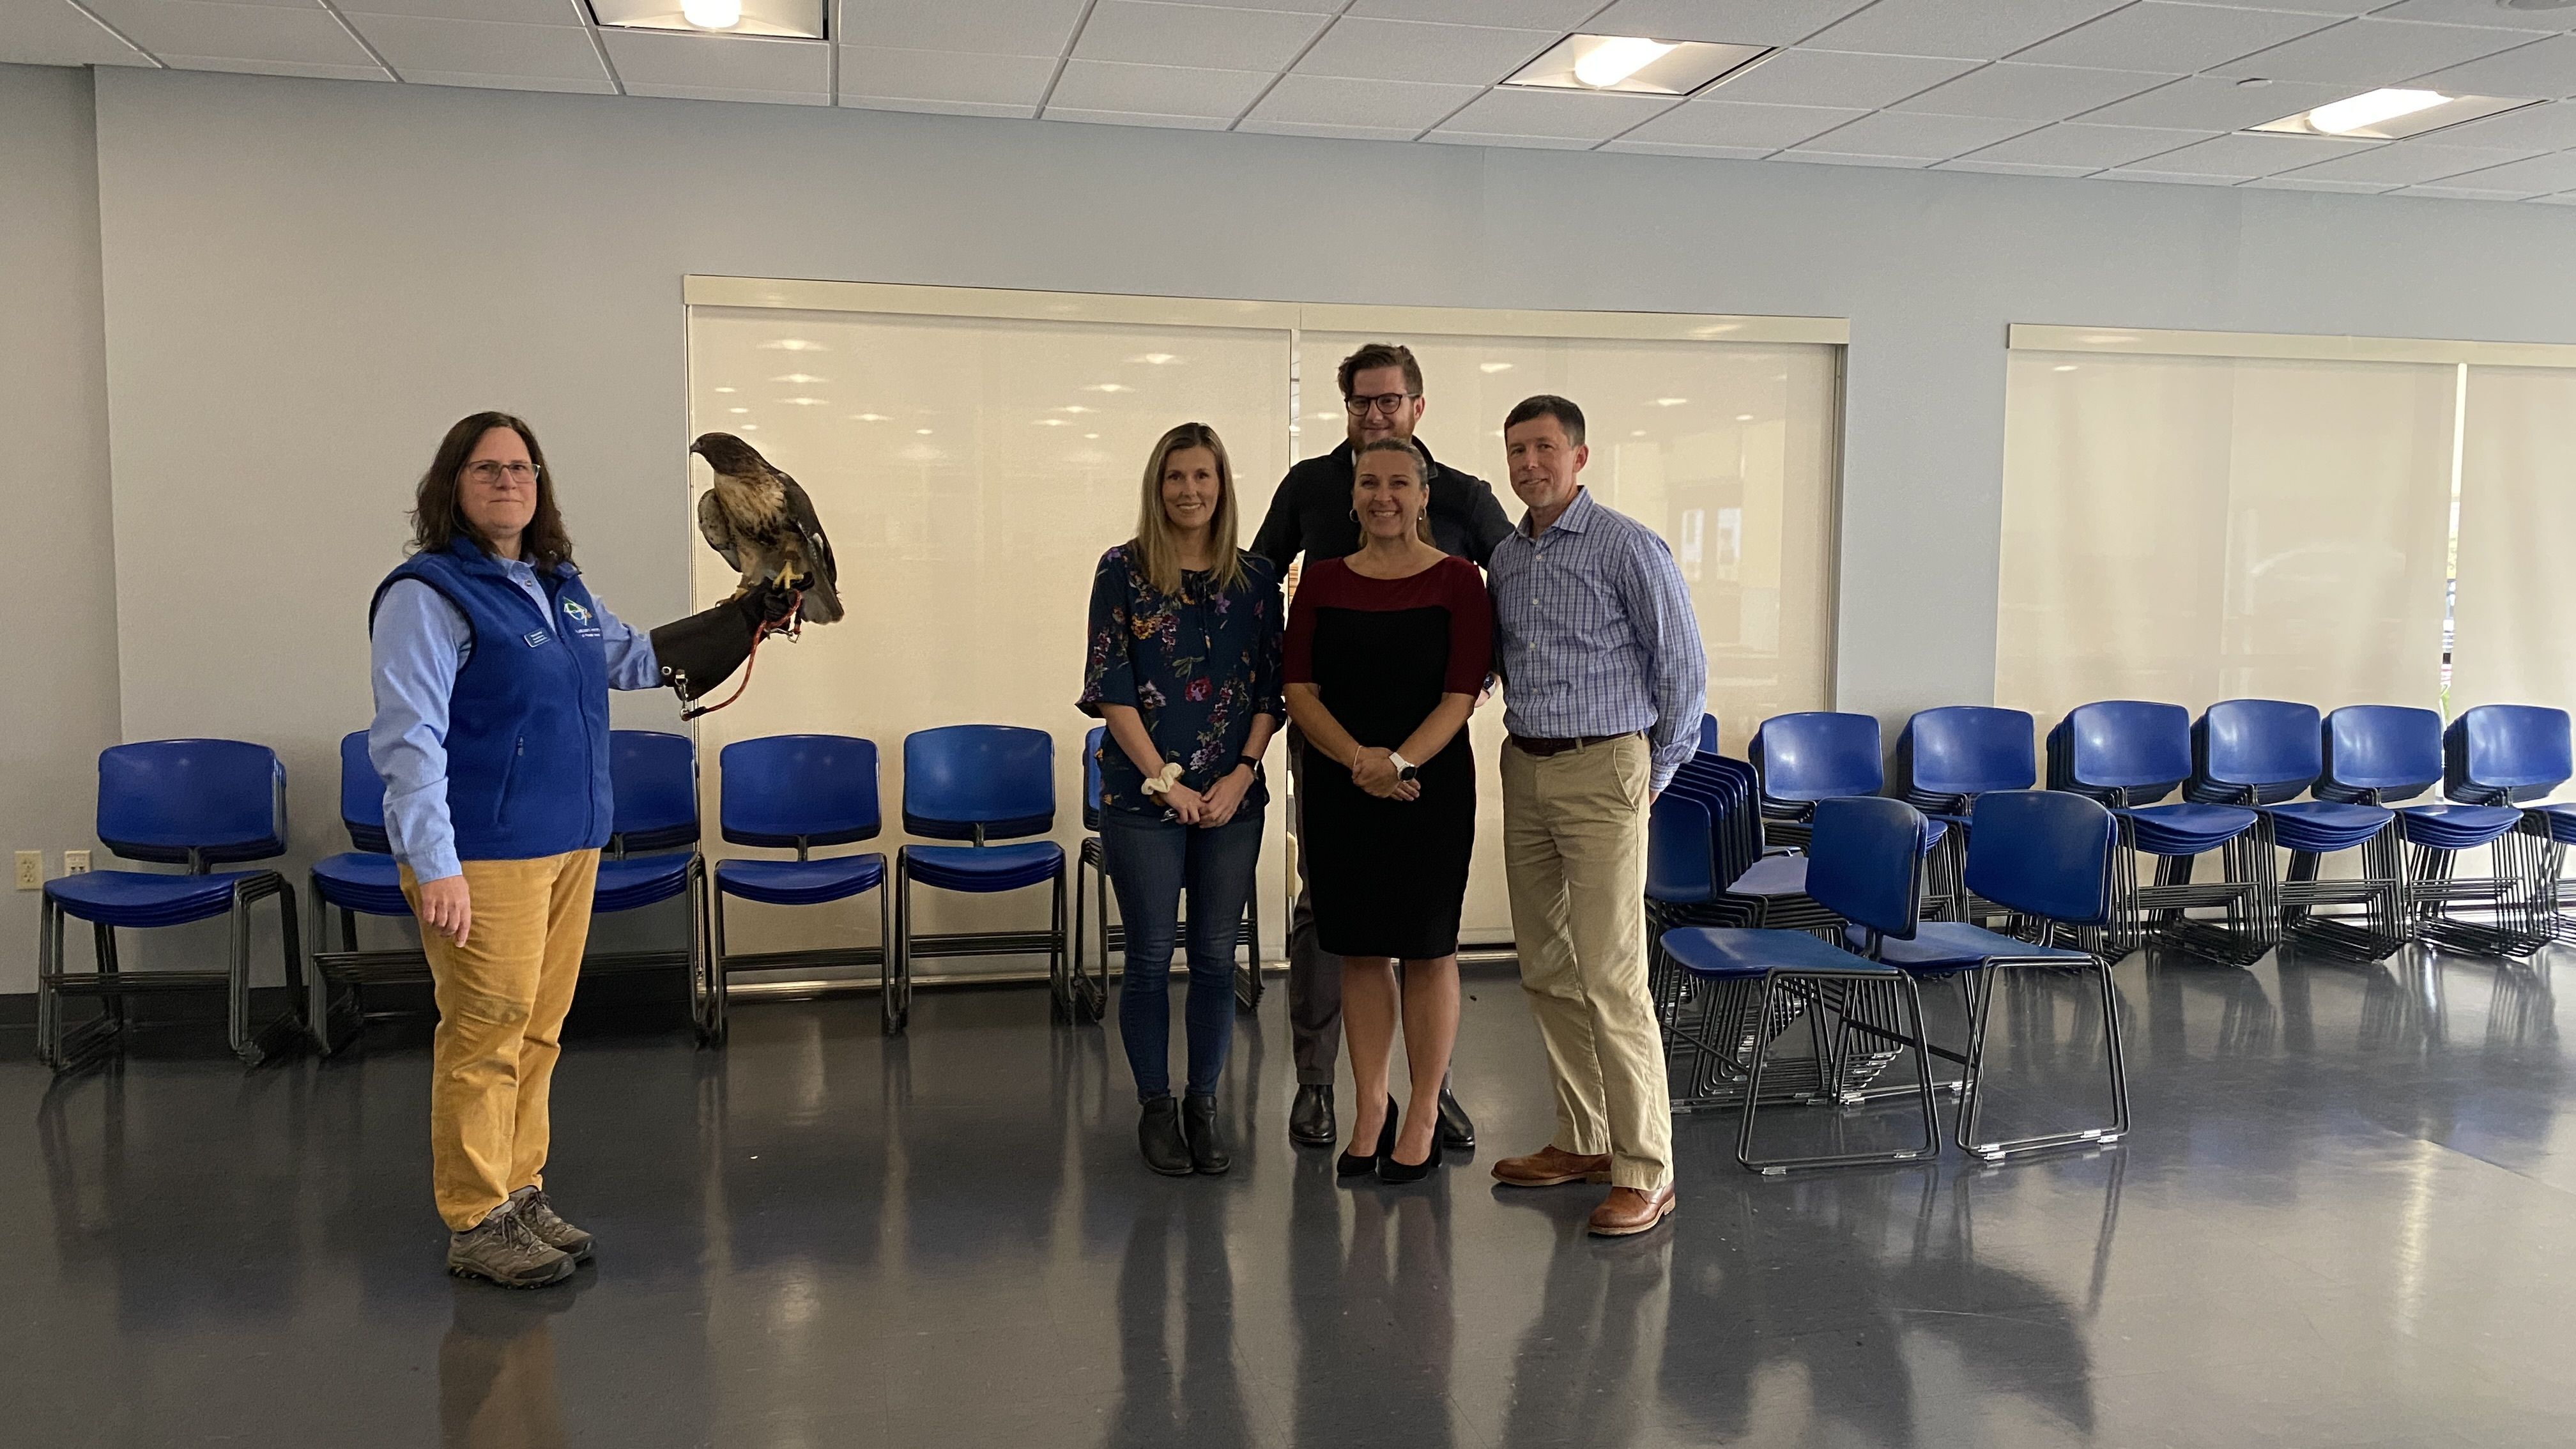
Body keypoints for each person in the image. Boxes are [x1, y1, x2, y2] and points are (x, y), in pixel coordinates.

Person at [371, 411, 786, 1287]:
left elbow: (635, 660)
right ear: (453, 485)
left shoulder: (558, 587)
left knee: (540, 1031)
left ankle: (518, 1191)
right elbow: (408, 737)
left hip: (570, 842)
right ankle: (476, 1218)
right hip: (482, 851)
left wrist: (745, 613)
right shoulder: (428, 593)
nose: (507, 482)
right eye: (486, 469)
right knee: (486, 1032)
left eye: (521, 468)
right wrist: (433, 860)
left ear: (539, 485)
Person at [1251, 341, 1512, 1153]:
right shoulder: (1309, 488)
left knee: (1428, 936)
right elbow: (1259, 580)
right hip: (1334, 757)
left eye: (1389, 401)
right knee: (1330, 922)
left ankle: (1429, 1095)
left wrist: (1407, 753)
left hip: (1428, 757)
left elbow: (1518, 584)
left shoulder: (1466, 497)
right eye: (1362, 402)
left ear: (1417, 408)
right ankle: (1327, 1086)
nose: (1375, 415)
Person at [1484, 394, 1706, 1238]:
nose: (1529, 463)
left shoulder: (1626, 545)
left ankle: (1647, 1168)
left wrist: (1662, 765)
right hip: (1527, 765)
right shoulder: (1506, 558)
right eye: (1517, 450)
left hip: (1606, 764)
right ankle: (1584, 1139)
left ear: (1580, 457)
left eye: (1544, 447)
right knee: (1544, 963)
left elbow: (1683, 663)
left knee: (1613, 976)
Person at [1282, 437, 1491, 1184]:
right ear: (1353, 495)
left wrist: (1397, 762)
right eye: (1369, 482)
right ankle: (1371, 1105)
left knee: (1429, 948)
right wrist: (1361, 765)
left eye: (1399, 482)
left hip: (1430, 789)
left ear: (1424, 493)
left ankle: (1426, 1110)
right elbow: (1299, 689)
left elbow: (1461, 695)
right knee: (1361, 948)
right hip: (1342, 790)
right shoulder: (1322, 580)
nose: (1383, 496)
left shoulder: (1461, 580)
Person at [1080, 422, 1285, 1177]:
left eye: (1203, 476)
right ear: (1156, 486)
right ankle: (1155, 1108)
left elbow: (1272, 688)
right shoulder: (1122, 571)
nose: (1190, 491)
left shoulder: (1258, 579)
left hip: (1234, 799)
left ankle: (1204, 1105)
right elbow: (1112, 688)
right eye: (1175, 478)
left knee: (1210, 958)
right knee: (1148, 958)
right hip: (1144, 798)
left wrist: (1237, 776)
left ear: (1223, 485)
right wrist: (1170, 784)